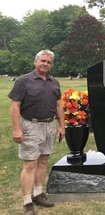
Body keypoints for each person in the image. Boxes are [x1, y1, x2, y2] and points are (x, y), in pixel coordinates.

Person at [8, 50, 65, 215]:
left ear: (51, 64)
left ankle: (38, 194)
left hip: (49, 126)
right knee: (30, 164)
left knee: (43, 161)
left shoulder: (54, 82)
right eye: (42, 61)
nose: (45, 64)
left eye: (48, 62)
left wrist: (62, 126)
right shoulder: (23, 81)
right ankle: (27, 203)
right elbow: (15, 106)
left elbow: (58, 105)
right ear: (35, 62)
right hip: (30, 126)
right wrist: (17, 129)